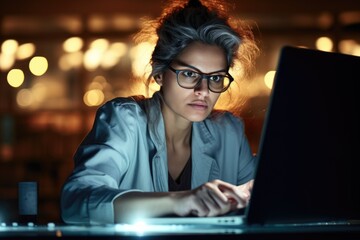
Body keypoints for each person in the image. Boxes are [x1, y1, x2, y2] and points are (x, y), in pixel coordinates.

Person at [61, 0, 259, 224]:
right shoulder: (125, 120)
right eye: (189, 74)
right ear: (160, 74)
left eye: (214, 78)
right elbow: (76, 201)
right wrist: (179, 202)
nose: (203, 91)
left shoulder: (228, 132)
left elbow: (262, 201)